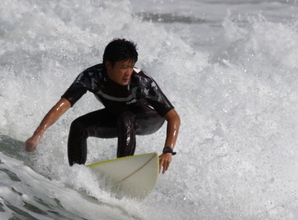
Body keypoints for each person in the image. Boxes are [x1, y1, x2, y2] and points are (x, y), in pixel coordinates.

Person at [25, 39, 181, 174]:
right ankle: (76, 173)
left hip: (149, 118)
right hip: (120, 118)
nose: (128, 73)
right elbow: (64, 103)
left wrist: (167, 151)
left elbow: (173, 117)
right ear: (108, 65)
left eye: (130, 66)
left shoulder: (142, 81)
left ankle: (124, 171)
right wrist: (38, 134)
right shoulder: (92, 76)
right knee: (79, 126)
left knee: (126, 117)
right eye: (123, 67)